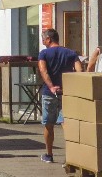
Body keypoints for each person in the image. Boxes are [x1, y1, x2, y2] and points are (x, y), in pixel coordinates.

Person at [38, 28, 81, 164]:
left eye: (43, 39)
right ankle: (71, 155)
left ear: (49, 39)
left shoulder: (43, 54)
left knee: (48, 124)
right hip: (66, 93)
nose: (43, 41)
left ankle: (49, 155)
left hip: (49, 93)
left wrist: (51, 86)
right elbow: (80, 71)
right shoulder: (70, 53)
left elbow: (43, 71)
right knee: (66, 123)